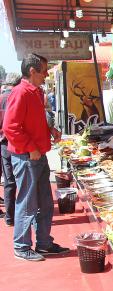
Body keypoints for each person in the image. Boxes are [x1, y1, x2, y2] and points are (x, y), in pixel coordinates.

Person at [2, 53, 69, 261]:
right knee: (28, 202)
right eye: (44, 70)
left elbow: (35, 120)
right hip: (26, 156)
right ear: (32, 71)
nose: (46, 74)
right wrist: (31, 148)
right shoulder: (20, 92)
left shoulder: (35, 92)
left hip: (37, 155)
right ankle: (21, 246)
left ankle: (43, 242)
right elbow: (10, 127)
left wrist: (51, 130)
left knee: (45, 202)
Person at [0, 72, 22, 225]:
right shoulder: (17, 97)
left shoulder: (1, 98)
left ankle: (10, 217)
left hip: (3, 144)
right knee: (23, 180)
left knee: (9, 181)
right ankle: (23, 215)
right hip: (17, 143)